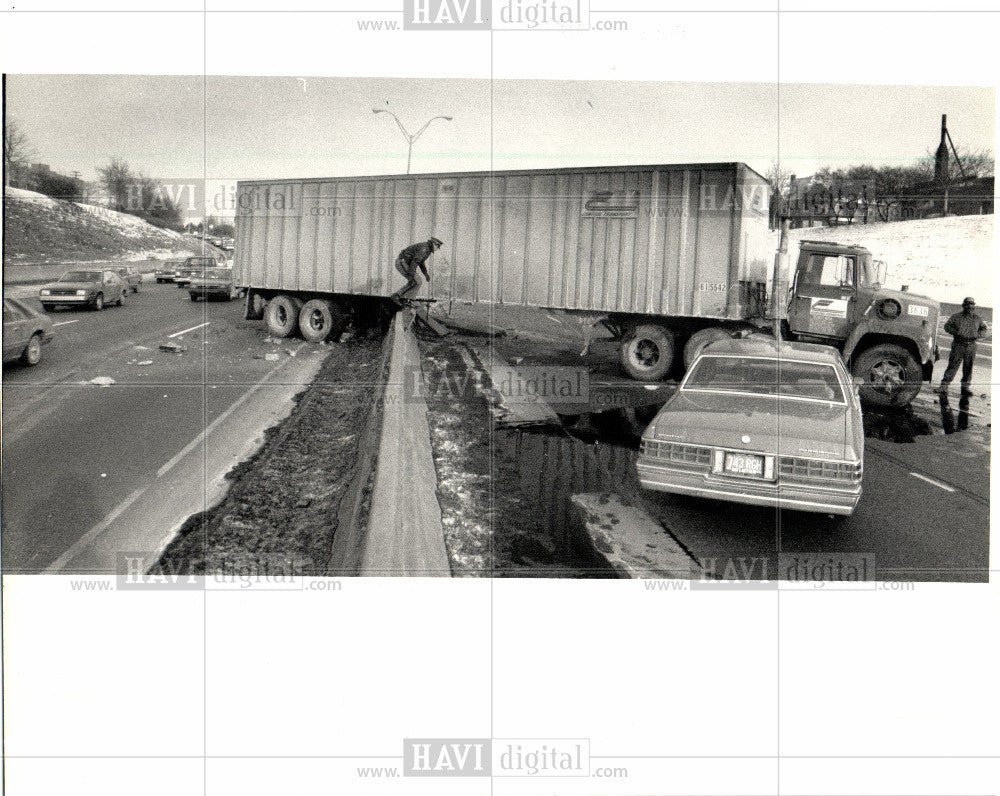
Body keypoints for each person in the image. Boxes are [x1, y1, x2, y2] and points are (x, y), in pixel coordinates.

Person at [937, 296, 988, 397]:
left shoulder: (977, 318)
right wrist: (956, 332)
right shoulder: (956, 317)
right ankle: (944, 386)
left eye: (972, 304)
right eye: (968, 304)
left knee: (968, 367)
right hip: (958, 345)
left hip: (971, 346)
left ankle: (965, 388)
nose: (970, 306)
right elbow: (947, 326)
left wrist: (980, 334)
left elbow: (984, 328)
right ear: (964, 305)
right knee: (953, 365)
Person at [390, 237, 443, 305]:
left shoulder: (427, 249)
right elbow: (415, 261)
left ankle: (404, 298)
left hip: (406, 263)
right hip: (402, 262)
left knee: (416, 281)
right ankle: (401, 297)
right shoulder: (424, 248)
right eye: (437, 246)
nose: (438, 249)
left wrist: (425, 274)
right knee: (417, 281)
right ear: (433, 244)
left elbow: (421, 263)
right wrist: (412, 274)